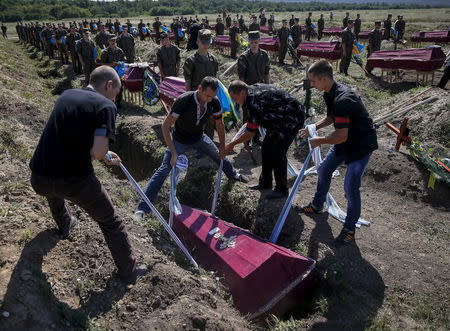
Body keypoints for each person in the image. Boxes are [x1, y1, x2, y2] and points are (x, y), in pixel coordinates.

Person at [29, 66, 147, 284]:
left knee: (53, 189)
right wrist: (103, 154)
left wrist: (103, 154)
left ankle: (64, 223)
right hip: (74, 181)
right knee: (111, 222)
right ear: (109, 85)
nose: (115, 98)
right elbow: (97, 151)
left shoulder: (68, 94)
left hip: (39, 175)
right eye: (116, 92)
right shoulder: (106, 106)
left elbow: (76, 136)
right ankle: (129, 272)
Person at [134, 77, 249, 219]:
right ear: (199, 89)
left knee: (218, 155)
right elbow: (165, 126)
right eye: (207, 95)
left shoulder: (214, 102)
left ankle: (233, 175)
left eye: (212, 97)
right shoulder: (184, 101)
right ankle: (142, 208)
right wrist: (174, 152)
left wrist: (223, 146)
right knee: (164, 170)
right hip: (179, 140)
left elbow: (219, 125)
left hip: (199, 138)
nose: (209, 99)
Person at [299, 60, 378, 245]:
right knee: (324, 170)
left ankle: (349, 229)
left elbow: (341, 135)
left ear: (324, 78)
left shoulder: (344, 98)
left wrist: (320, 140)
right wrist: (314, 126)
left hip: (360, 145)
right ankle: (318, 205)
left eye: (313, 81)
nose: (311, 84)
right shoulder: (329, 93)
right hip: (345, 141)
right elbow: (332, 117)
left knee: (350, 187)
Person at [225, 81, 305, 199]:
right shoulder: (250, 90)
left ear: (242, 92)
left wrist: (232, 144)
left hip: (291, 118)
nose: (234, 101)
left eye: (235, 98)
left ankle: (281, 189)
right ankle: (265, 182)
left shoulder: (254, 102)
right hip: (277, 118)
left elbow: (250, 133)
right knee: (267, 148)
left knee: (278, 153)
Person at [183, 29, 218, 139]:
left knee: (210, 123)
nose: (206, 44)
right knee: (196, 123)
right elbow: (188, 82)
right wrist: (188, 99)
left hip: (210, 98)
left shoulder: (213, 60)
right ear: (198, 41)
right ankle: (196, 145)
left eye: (208, 42)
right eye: (203, 42)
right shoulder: (191, 61)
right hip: (196, 97)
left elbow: (215, 80)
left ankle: (209, 145)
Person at [101, 34, 125, 106]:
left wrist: (120, 64)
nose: (113, 42)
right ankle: (110, 102)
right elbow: (103, 64)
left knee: (119, 87)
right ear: (108, 41)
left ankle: (118, 102)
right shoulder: (105, 52)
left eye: (114, 40)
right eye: (111, 40)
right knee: (110, 88)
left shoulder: (120, 51)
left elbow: (123, 62)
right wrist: (113, 64)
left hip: (118, 73)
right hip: (109, 73)